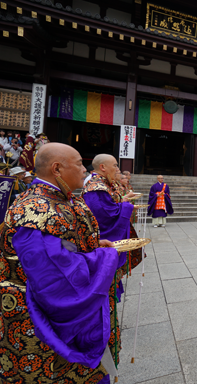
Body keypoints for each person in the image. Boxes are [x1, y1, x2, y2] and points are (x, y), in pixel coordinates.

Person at [0, 143, 122, 384]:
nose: (85, 170)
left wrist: (95, 245)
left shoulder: (56, 199)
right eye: (79, 164)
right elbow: (54, 275)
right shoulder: (36, 213)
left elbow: (70, 247)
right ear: (57, 169)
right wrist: (104, 257)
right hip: (44, 323)